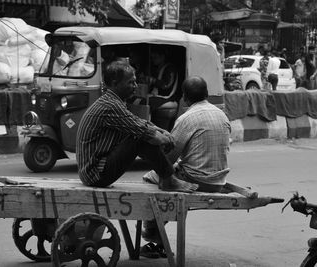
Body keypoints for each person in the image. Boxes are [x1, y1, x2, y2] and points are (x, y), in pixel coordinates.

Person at [140, 76, 231, 258]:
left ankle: (152, 233)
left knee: (151, 178)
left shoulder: (187, 118)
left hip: (195, 179)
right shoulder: (222, 115)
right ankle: (157, 234)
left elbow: (168, 158)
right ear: (206, 94)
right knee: (167, 173)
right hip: (219, 181)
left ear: (185, 98)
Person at [76, 60, 199, 193]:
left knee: (141, 133)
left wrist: (162, 132)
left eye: (134, 82)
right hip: (96, 174)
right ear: (115, 83)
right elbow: (145, 132)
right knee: (140, 137)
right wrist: (167, 139)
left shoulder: (112, 102)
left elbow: (136, 122)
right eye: (130, 82)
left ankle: (166, 177)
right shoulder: (111, 106)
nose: (135, 86)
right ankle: (168, 178)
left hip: (93, 172)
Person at [147, 48, 179, 112]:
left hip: (168, 97)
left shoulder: (170, 69)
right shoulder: (156, 68)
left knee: (147, 102)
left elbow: (166, 85)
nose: (153, 60)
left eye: (155, 57)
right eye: (152, 58)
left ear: (162, 57)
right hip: (158, 96)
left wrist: (153, 80)